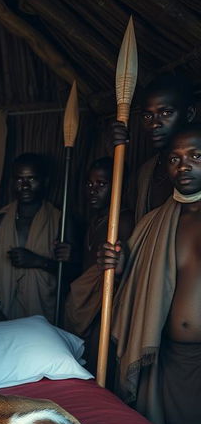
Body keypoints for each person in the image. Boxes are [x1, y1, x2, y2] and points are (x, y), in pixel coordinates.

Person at [98, 124, 201, 424]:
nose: (183, 166)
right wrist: (118, 263)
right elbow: (133, 288)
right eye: (174, 158)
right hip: (165, 359)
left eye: (196, 156)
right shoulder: (153, 223)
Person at [0, 153, 78, 324]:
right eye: (19, 180)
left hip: (45, 318)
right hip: (3, 315)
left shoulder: (62, 221)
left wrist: (38, 261)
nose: (25, 186)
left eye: (31, 179)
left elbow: (74, 275)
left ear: (45, 181)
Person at [63, 157, 134, 372]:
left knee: (99, 365)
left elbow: (121, 270)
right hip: (84, 304)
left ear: (118, 185)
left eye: (102, 184)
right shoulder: (93, 221)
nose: (93, 190)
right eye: (89, 184)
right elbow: (87, 267)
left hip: (104, 306)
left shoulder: (123, 220)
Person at [111, 74, 196, 224]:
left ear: (189, 114)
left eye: (165, 113)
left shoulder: (195, 169)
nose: (155, 124)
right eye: (148, 116)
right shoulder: (145, 173)